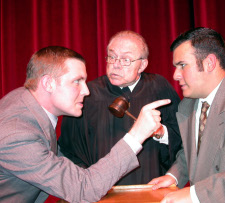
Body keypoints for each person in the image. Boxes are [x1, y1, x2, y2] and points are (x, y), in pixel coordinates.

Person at [0, 46, 171, 203]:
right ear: (48, 83)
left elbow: (60, 163)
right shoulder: (17, 134)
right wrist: (137, 135)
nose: (86, 91)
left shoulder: (25, 101)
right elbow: (82, 189)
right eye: (77, 81)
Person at [149, 27, 225, 202]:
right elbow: (192, 152)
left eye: (182, 65)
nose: (175, 75)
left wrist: (195, 195)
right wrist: (175, 176)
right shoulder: (187, 105)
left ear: (209, 63)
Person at [58, 30, 181, 185]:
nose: (115, 65)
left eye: (125, 60)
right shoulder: (88, 94)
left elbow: (183, 137)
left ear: (142, 64)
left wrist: (162, 133)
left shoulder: (159, 88)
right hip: (101, 193)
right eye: (112, 56)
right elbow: (69, 149)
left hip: (150, 190)